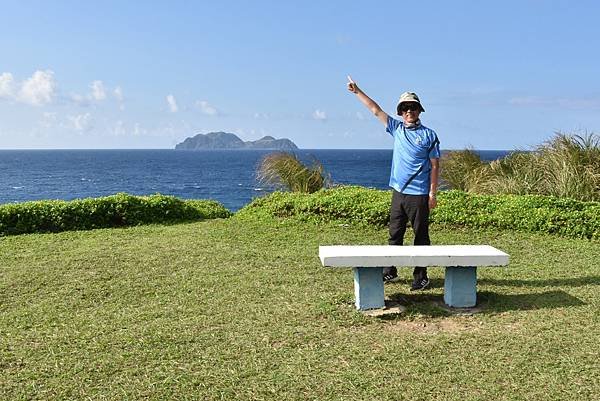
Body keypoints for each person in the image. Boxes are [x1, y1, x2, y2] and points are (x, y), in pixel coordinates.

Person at [347, 76, 440, 291]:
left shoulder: (429, 135)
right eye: (405, 108)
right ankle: (390, 271)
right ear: (400, 112)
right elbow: (375, 110)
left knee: (421, 236)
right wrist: (357, 91)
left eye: (413, 107)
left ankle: (421, 276)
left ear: (419, 111)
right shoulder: (396, 129)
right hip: (399, 192)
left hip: (419, 194)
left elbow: (435, 166)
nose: (409, 111)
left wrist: (432, 194)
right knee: (394, 233)